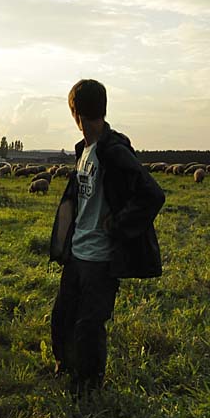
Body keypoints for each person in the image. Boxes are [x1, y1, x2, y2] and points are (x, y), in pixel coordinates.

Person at [49, 79, 165, 397]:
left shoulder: (113, 150)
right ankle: (67, 368)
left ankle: (89, 387)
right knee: (62, 317)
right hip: (77, 254)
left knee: (89, 326)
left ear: (75, 112)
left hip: (100, 259)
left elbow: (152, 194)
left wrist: (118, 225)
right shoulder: (84, 150)